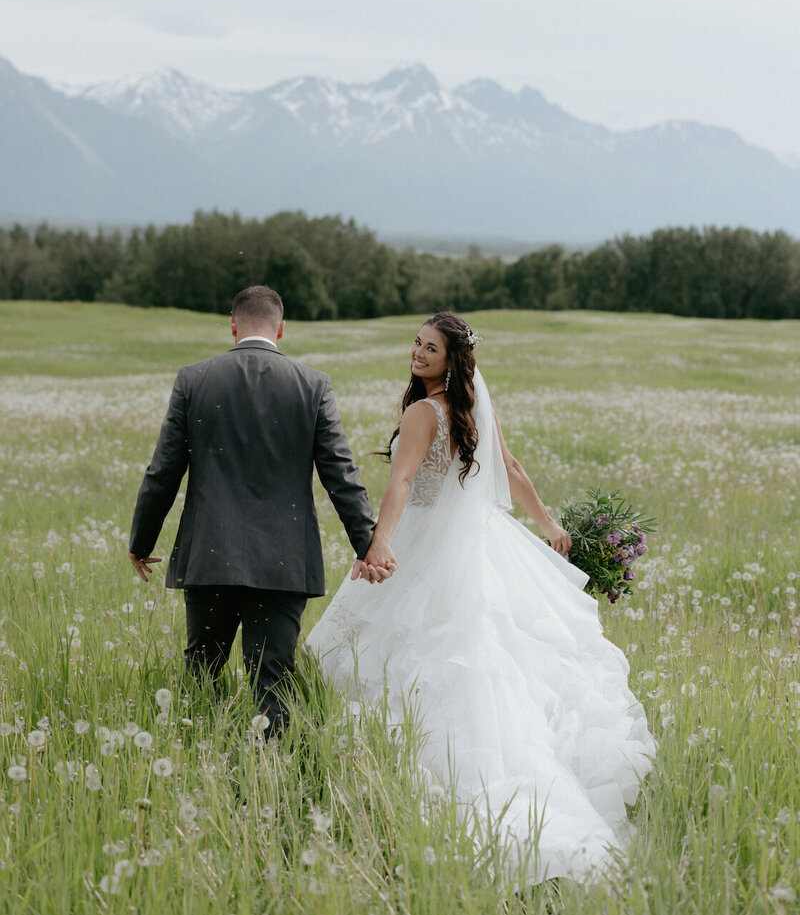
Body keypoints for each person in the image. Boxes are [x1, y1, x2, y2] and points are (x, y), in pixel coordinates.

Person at [307, 311, 655, 884]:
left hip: (426, 542)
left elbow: (399, 483)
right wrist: (544, 524)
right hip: (480, 543)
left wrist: (381, 543)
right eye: (416, 344)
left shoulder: (423, 412)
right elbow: (510, 467)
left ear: (453, 361)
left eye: (431, 349)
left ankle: (436, 794)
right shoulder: (470, 410)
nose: (418, 354)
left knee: (410, 655)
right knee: (483, 654)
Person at [128, 285, 390, 735]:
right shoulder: (313, 385)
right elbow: (341, 475)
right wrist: (369, 545)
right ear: (281, 329)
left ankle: (197, 770)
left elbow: (162, 472)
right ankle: (271, 784)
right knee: (273, 680)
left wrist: (141, 542)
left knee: (201, 677)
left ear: (233, 325)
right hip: (283, 559)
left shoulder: (193, 378)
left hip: (210, 554)